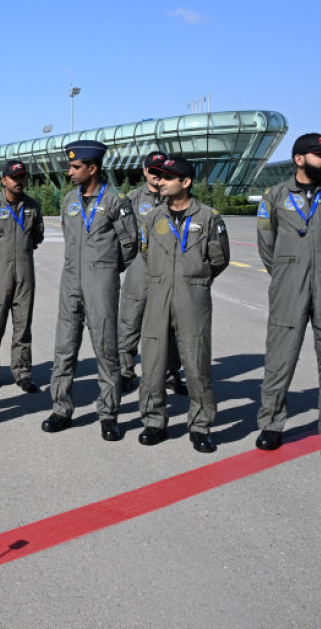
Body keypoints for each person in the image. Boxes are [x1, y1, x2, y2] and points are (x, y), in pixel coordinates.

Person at [255, 133, 321, 460]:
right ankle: (271, 425)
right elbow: (266, 244)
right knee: (279, 358)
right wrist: (288, 270)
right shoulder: (275, 195)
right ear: (300, 159)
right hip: (289, 284)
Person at [41, 140, 138, 442]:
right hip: (70, 280)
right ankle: (61, 408)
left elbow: (130, 245)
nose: (69, 172)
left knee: (106, 349)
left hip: (101, 282)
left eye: (75, 167)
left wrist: (106, 268)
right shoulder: (69, 199)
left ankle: (108, 414)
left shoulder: (115, 201)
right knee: (64, 348)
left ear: (93, 168)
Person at [136, 156, 229, 453]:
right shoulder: (153, 218)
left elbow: (219, 259)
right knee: (152, 362)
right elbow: (147, 252)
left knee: (196, 361)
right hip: (158, 294)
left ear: (185, 182)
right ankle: (154, 421)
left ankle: (200, 425)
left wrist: (194, 279)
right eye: (158, 177)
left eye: (167, 177)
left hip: (193, 295)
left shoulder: (209, 217)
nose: (159, 181)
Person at [117, 150, 185, 395]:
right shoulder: (132, 199)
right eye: (153, 171)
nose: (158, 176)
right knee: (130, 321)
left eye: (163, 172)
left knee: (172, 324)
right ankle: (125, 372)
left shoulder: (178, 197)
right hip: (140, 268)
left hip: (171, 270)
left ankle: (170, 373)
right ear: (145, 171)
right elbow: (123, 236)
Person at [0, 159, 44, 393]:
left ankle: (23, 372)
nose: (19, 181)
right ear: (4, 180)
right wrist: (0, 256)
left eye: (22, 177)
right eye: (14, 177)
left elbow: (37, 237)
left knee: (23, 325)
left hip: (24, 275)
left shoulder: (33, 207)